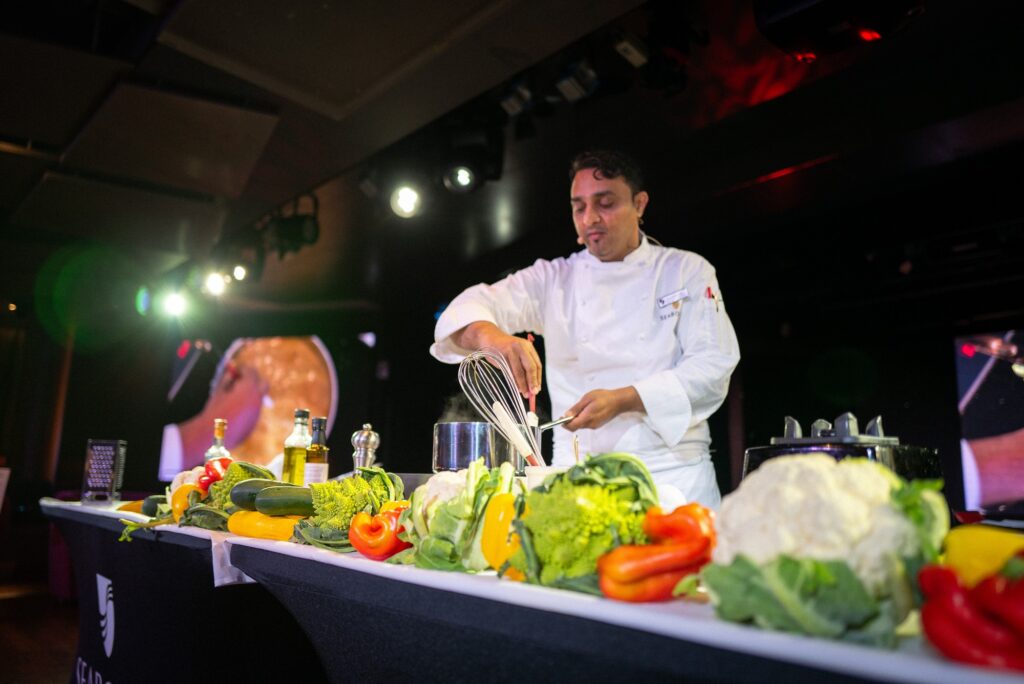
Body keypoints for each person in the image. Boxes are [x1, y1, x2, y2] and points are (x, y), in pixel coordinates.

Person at [430, 150, 740, 507]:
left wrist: (623, 398)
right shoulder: (554, 279)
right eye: (579, 207)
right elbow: (463, 311)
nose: (591, 218)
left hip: (672, 478)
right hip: (577, 480)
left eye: (605, 203)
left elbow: (713, 366)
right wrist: (495, 339)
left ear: (639, 204)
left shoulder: (685, 270)